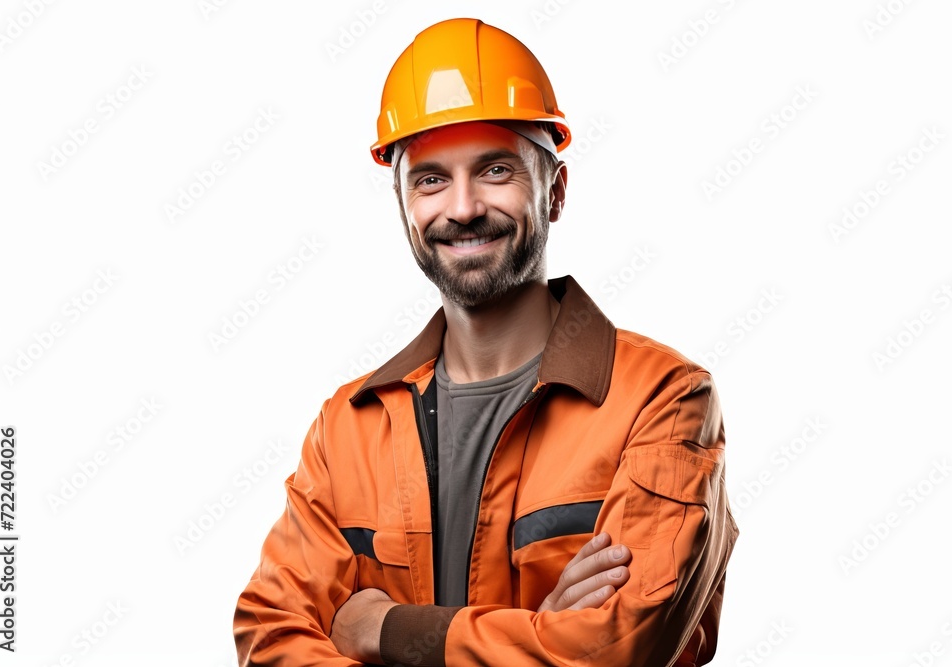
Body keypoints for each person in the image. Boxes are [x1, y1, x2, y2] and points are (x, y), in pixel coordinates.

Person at [234, 17, 738, 666]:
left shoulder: (660, 399)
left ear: (554, 190)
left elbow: (617, 646)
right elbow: (271, 633)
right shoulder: (347, 428)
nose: (463, 206)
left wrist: (385, 629)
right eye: (431, 178)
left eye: (496, 169)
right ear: (403, 204)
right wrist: (539, 630)